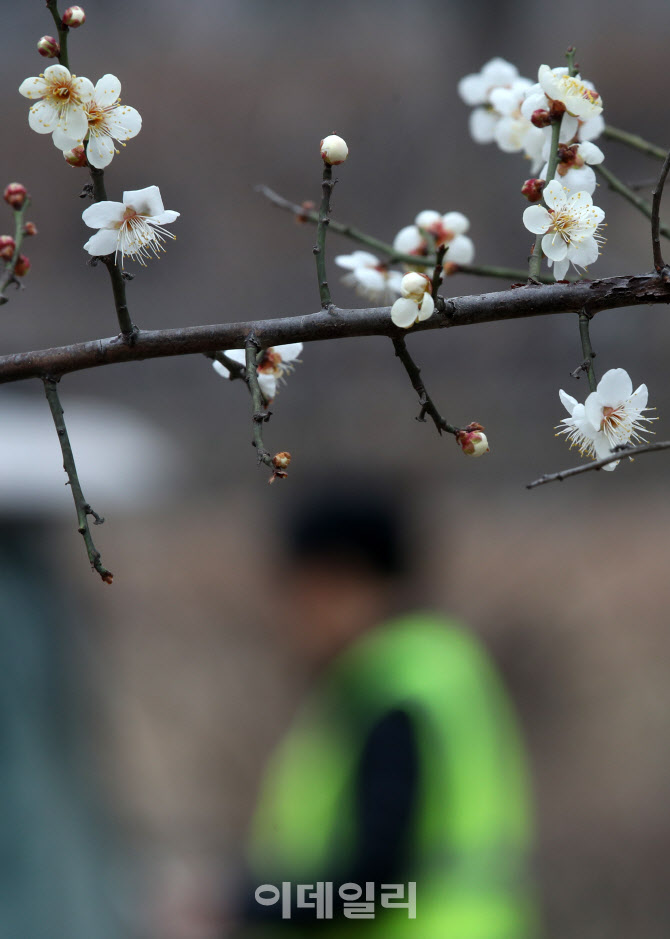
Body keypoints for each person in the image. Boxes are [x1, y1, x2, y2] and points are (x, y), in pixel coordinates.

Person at [235, 481, 537, 938]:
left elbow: (376, 888)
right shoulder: (432, 669)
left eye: (304, 593)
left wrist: (247, 904)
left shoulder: (398, 692)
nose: (293, 618)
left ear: (344, 582)